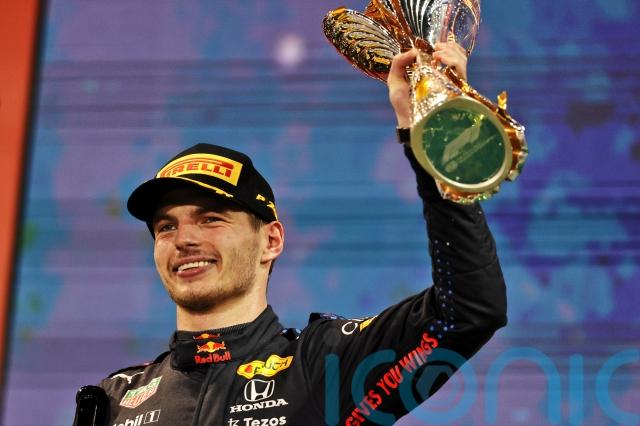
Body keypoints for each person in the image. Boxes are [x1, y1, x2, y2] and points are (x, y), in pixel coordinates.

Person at [86, 42, 506, 426]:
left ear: (271, 241)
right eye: (166, 226)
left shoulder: (328, 364)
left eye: (211, 219)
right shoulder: (117, 400)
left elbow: (468, 310)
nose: (183, 239)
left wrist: (433, 134)